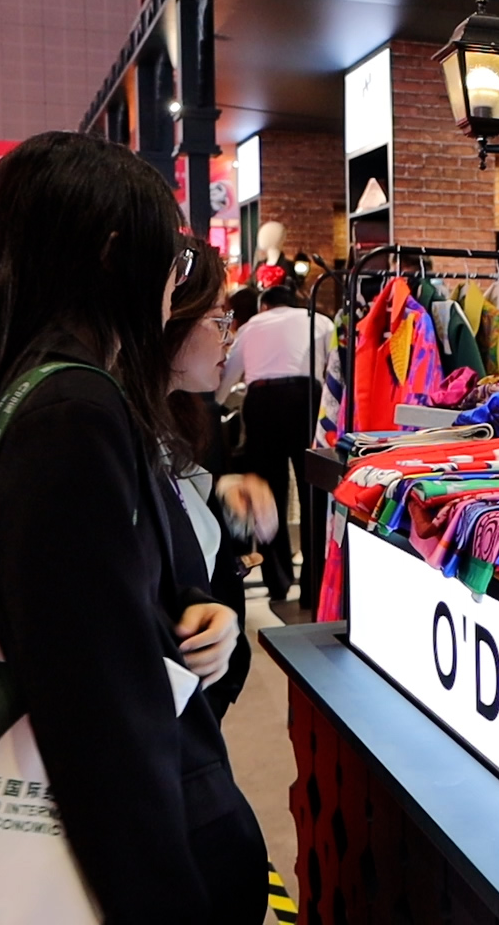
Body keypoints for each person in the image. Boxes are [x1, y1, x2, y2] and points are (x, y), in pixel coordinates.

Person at [0, 131, 266, 921]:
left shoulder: (9, 383)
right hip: (85, 845)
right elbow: (99, 708)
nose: (177, 281)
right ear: (116, 253)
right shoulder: (70, 409)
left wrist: (191, 605)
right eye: (172, 257)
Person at [164, 237, 277, 722]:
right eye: (218, 320)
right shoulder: (101, 422)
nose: (228, 338)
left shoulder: (185, 413)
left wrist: (222, 499)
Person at [218, 283, 332, 602]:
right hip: (307, 400)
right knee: (313, 493)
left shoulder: (252, 325)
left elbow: (228, 377)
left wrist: (216, 405)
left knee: (268, 493)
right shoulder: (319, 320)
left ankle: (278, 581)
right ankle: (314, 586)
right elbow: (333, 370)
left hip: (263, 402)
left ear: (264, 306)